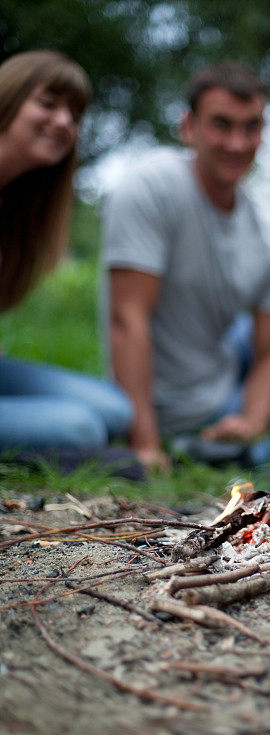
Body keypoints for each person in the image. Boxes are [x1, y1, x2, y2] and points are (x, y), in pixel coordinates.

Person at [103, 61, 270, 471]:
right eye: (221, 125)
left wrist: (252, 420)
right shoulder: (152, 187)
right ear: (188, 126)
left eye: (252, 127)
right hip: (160, 401)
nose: (237, 143)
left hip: (223, 380)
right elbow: (127, 319)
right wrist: (146, 443)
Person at [0, 51, 133, 457]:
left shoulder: (16, 206)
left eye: (74, 115)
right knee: (80, 427)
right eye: (47, 103)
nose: (64, 122)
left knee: (116, 410)